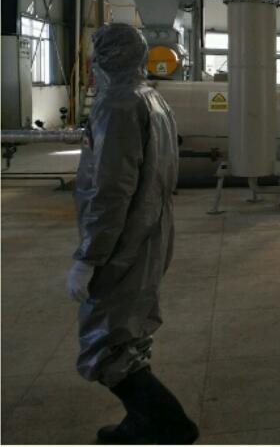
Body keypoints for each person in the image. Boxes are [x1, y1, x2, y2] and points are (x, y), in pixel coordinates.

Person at [65, 23, 198, 444]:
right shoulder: (153, 98)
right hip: (152, 231)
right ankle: (140, 424)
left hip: (123, 240)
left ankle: (171, 426)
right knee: (130, 332)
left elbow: (110, 189)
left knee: (106, 347)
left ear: (106, 57)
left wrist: (89, 256)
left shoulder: (118, 105)